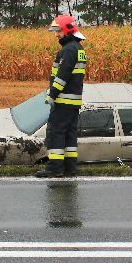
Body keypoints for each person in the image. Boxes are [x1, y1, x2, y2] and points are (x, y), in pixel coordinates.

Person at [36, 14, 87, 178]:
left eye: (58, 31)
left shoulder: (68, 50)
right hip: (73, 102)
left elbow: (62, 76)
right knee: (70, 136)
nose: (56, 35)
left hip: (63, 101)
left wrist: (52, 95)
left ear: (67, 30)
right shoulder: (79, 49)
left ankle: (55, 168)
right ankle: (70, 167)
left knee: (56, 133)